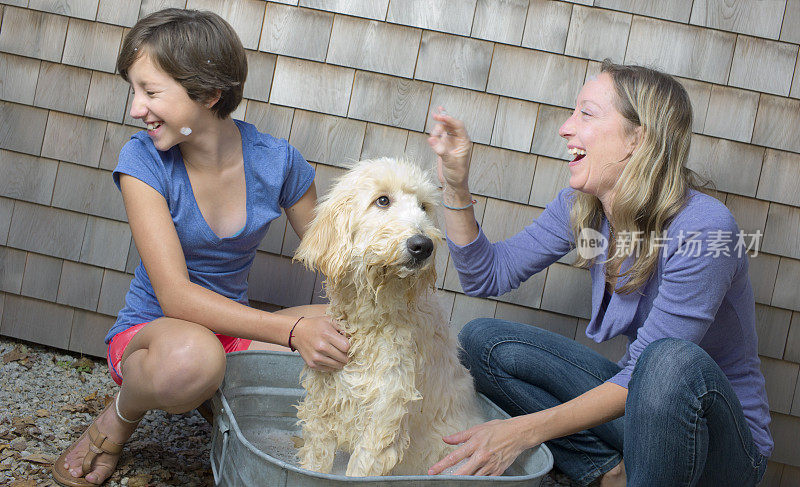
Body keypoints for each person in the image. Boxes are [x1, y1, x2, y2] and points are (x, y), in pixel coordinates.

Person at [426, 61, 772, 486]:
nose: (565, 128)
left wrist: (519, 432)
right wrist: (455, 187)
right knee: (483, 341)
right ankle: (607, 473)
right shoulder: (583, 207)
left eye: (586, 113)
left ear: (637, 137)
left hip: (722, 448)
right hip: (640, 410)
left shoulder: (704, 228)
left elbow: (645, 373)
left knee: (666, 362)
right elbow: (486, 276)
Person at [52, 9, 349, 486]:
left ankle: (220, 402)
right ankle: (118, 418)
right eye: (135, 90)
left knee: (351, 333)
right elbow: (176, 298)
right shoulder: (143, 161)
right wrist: (290, 333)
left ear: (209, 94)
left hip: (230, 328)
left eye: (150, 92)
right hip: (156, 335)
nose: (135, 108)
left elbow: (338, 265)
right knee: (194, 358)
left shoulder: (278, 163)